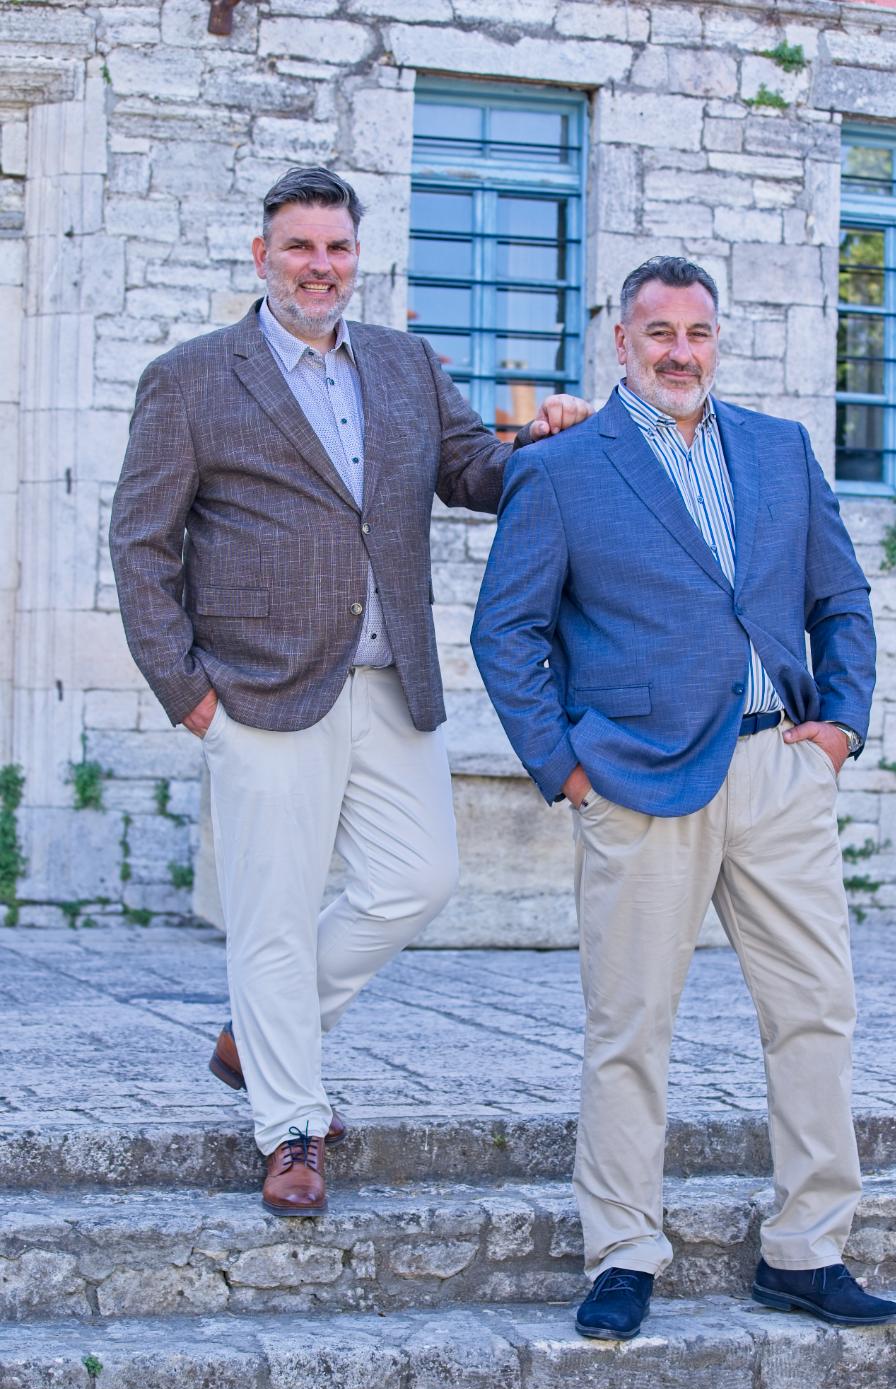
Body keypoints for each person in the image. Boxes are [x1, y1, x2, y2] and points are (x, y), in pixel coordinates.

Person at [110, 166, 590, 1217]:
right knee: (271, 915)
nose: (319, 267)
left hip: (388, 678)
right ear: (262, 256)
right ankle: (290, 1127)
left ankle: (257, 1038)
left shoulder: (403, 362)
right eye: (299, 247)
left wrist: (552, 440)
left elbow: (474, 473)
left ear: (356, 257)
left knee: (417, 879)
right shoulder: (191, 379)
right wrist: (188, 694)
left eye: (335, 248)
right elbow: (141, 547)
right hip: (257, 689)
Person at [471, 255, 896, 1338]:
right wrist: (567, 768)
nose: (678, 351)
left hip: (778, 772)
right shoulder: (562, 469)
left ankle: (806, 1249)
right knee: (630, 1026)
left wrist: (839, 729)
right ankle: (623, 1250)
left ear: (717, 340)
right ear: (620, 340)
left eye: (696, 332)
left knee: (814, 1011)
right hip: (635, 781)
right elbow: (506, 631)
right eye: (657, 331)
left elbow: (840, 599)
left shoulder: (779, 449)